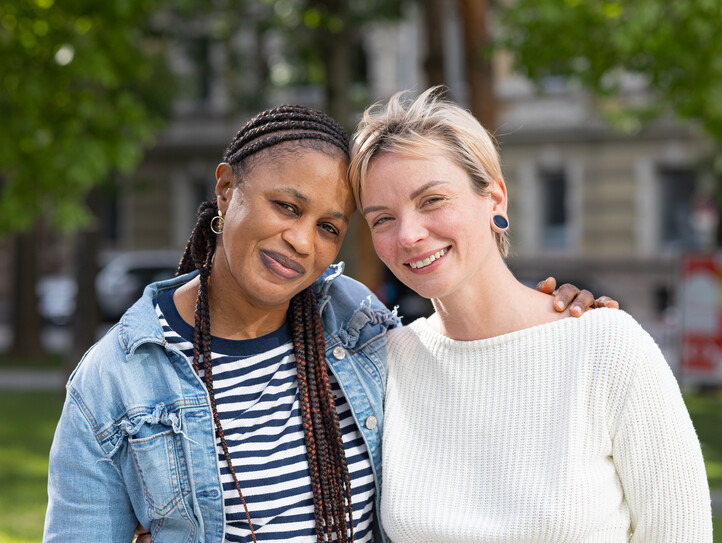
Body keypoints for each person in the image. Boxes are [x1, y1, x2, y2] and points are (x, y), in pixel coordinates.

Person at [44, 104, 605, 543]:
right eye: (287, 207)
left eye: (330, 227)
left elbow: (469, 371)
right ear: (225, 190)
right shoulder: (116, 383)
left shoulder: (352, 323)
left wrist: (548, 318)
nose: (301, 240)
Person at [348, 88, 713, 542]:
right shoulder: (383, 367)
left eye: (432, 200)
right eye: (382, 218)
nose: (409, 235)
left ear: (495, 199)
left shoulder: (606, 347)